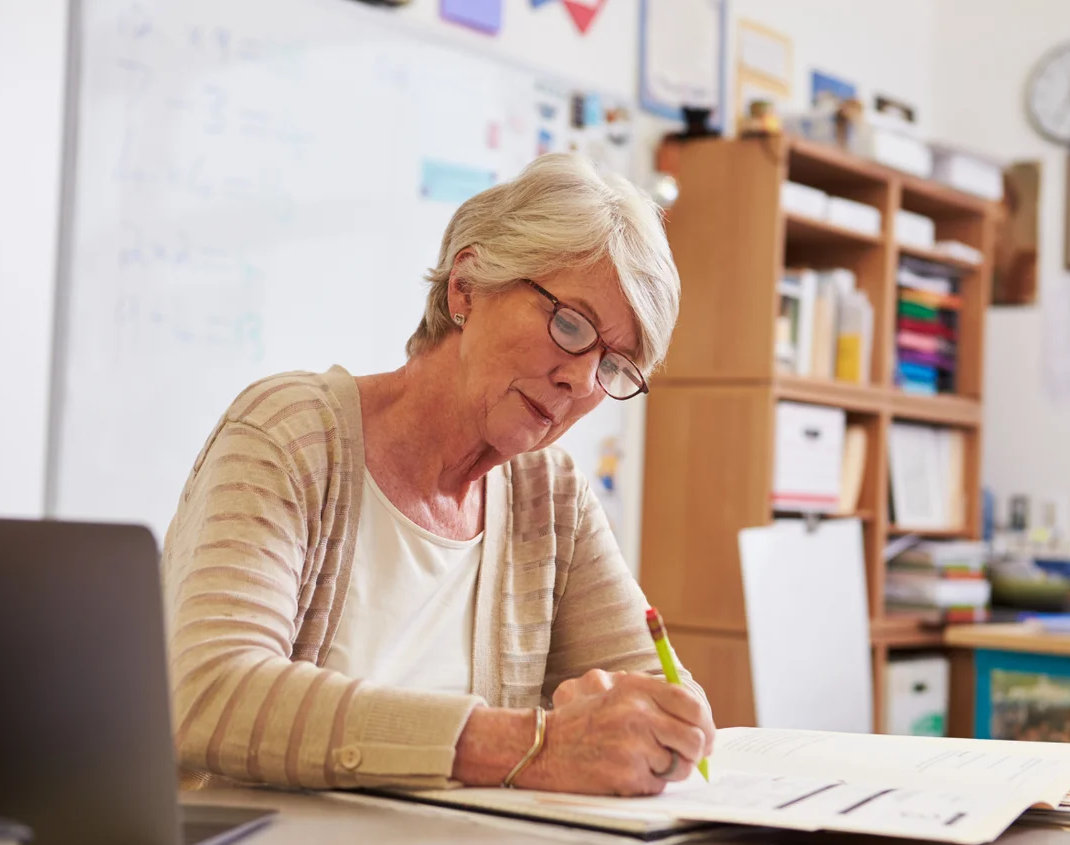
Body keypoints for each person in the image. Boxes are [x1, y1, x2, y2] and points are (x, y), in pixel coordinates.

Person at [161, 153, 714, 798]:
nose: (580, 380)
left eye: (614, 366)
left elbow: (657, 701)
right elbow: (211, 692)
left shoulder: (551, 497)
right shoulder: (290, 434)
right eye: (570, 325)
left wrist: (665, 725)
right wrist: (532, 748)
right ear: (467, 286)